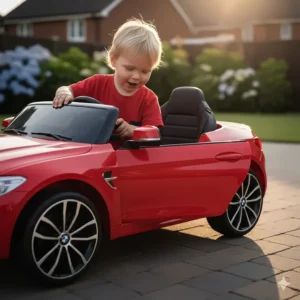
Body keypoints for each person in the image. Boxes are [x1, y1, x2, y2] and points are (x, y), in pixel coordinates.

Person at [52, 18, 164, 139]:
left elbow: (154, 134)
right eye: (130, 69)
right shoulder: (97, 83)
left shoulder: (148, 99)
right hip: (92, 151)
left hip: (128, 155)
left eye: (145, 71)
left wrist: (133, 130)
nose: (136, 76)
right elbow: (69, 90)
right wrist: (63, 93)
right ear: (113, 59)